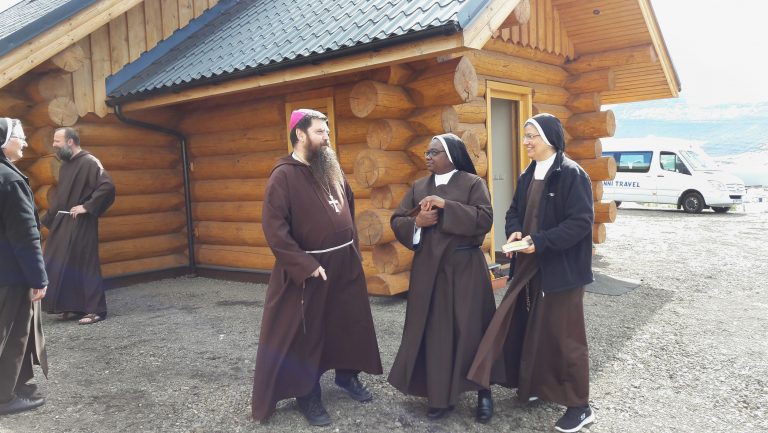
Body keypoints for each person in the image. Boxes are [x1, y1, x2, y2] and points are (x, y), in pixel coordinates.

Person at [251, 109, 382, 426]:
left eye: (327, 132)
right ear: (300, 134)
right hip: (311, 268)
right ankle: (307, 394)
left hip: (344, 262)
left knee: (349, 323)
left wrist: (352, 247)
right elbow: (274, 229)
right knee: (307, 334)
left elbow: (347, 206)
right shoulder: (283, 175)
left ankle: (346, 377)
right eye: (320, 132)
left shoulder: (330, 168)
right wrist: (305, 265)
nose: (327, 138)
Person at [467, 113, 595, 433]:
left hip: (561, 270)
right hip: (529, 265)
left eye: (530, 136)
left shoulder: (571, 174)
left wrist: (537, 242)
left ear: (549, 138)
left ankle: (580, 405)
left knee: (566, 338)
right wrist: (514, 232)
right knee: (533, 328)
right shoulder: (528, 173)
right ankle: (539, 386)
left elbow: (580, 224)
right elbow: (514, 212)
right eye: (525, 136)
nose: (525, 142)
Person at [387, 133, 497, 423]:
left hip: (465, 268)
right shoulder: (419, 186)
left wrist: (446, 206)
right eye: (427, 152)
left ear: (452, 156)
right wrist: (417, 223)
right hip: (429, 270)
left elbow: (485, 219)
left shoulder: (473, 183)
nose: (428, 156)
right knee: (435, 332)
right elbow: (397, 220)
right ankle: (439, 396)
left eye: (434, 152)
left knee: (472, 329)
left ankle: (484, 392)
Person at [41, 127, 115, 325]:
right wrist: (46, 220)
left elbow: (107, 186)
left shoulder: (90, 162)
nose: (54, 145)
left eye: (57, 141)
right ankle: (73, 306)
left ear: (70, 142)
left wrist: (87, 207)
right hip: (64, 221)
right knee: (61, 260)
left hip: (82, 222)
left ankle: (95, 310)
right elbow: (61, 198)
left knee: (85, 263)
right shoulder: (66, 165)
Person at [0, 118, 49, 415]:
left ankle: (13, 385)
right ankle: (4, 397)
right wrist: (38, 278)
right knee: (13, 334)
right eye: (20, 137)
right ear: (5, 141)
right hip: (11, 274)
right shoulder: (11, 180)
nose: (26, 143)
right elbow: (26, 235)